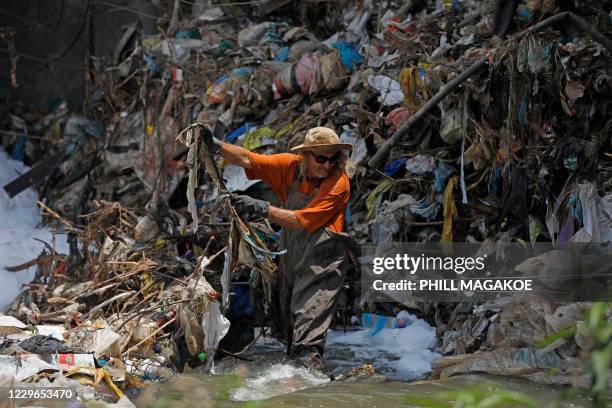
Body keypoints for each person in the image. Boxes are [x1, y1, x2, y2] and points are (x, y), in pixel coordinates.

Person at [205, 126, 352, 369]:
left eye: (333, 158)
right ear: (306, 156)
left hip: (323, 262)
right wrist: (214, 144)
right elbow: (247, 159)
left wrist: (262, 209)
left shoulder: (339, 182)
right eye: (321, 158)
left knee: (309, 325)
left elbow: (302, 220)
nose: (327, 165)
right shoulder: (291, 167)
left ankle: (307, 382)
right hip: (292, 255)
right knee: (290, 325)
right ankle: (291, 384)